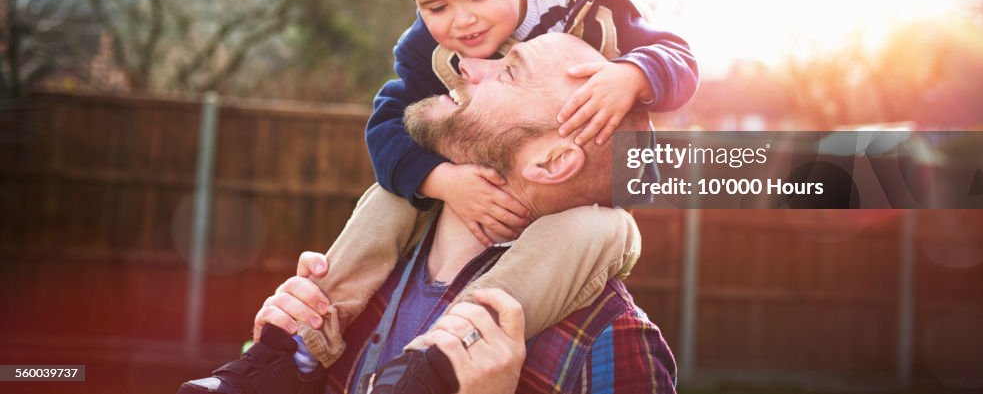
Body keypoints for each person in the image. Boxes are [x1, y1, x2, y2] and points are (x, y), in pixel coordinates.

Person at [179, 0, 697, 394]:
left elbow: (679, 55)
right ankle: (295, 346)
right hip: (440, 192)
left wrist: (634, 75)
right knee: (391, 191)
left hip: (599, 202)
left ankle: (460, 342)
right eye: (436, 7)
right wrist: (441, 179)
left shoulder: (586, 5)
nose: (463, 28)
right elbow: (388, 126)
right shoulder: (426, 51)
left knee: (601, 228)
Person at [226, 34, 678, 394]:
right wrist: (291, 367)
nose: (467, 64)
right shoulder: (362, 278)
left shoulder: (610, 342)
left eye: (509, 73)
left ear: (551, 163)